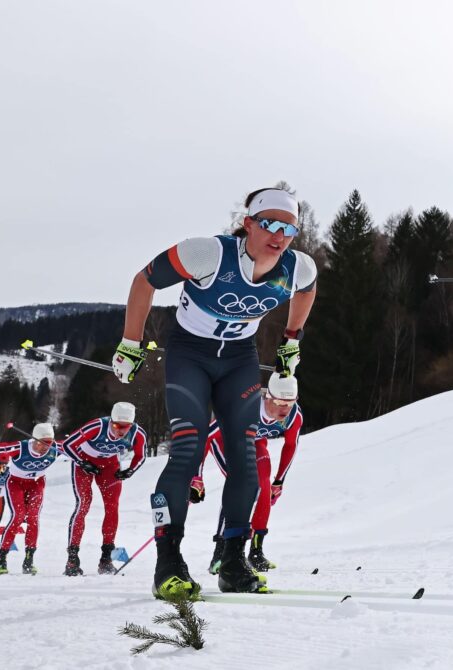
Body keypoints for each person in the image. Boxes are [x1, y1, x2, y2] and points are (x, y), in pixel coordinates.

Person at [114, 187, 317, 599]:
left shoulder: (297, 268)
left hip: (239, 359)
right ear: (248, 225)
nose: (278, 236)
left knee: (245, 455)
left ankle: (233, 560)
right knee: (187, 450)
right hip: (190, 354)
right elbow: (144, 280)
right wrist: (130, 342)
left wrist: (292, 337)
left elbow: (307, 290)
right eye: (269, 224)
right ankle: (168, 561)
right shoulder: (208, 254)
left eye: (289, 228)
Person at [191, 372, 304, 574]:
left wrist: (279, 481)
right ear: (268, 397)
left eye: (290, 402)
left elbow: (291, 445)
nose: (284, 408)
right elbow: (206, 437)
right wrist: (196, 476)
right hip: (226, 442)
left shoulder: (294, 415)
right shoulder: (246, 408)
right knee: (241, 486)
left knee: (264, 486)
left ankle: (256, 551)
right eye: (279, 401)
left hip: (254, 443)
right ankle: (220, 552)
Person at [61, 401, 147, 575]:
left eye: (126, 427)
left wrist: (129, 470)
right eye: (116, 426)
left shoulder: (137, 433)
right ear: (111, 421)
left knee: (112, 506)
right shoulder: (98, 426)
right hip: (84, 463)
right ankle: (72, 559)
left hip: (109, 465)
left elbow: (141, 456)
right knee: (83, 504)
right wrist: (82, 462)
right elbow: (67, 445)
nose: (120, 431)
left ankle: (106, 558)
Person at [0, 423, 62, 575]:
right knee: (18, 516)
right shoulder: (21, 447)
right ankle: (1, 560)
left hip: (37, 484)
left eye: (50, 443)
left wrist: (86, 463)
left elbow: (75, 449)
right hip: (16, 483)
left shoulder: (56, 448)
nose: (47, 447)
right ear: (34, 440)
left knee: (33, 518)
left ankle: (29, 560)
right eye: (43, 443)